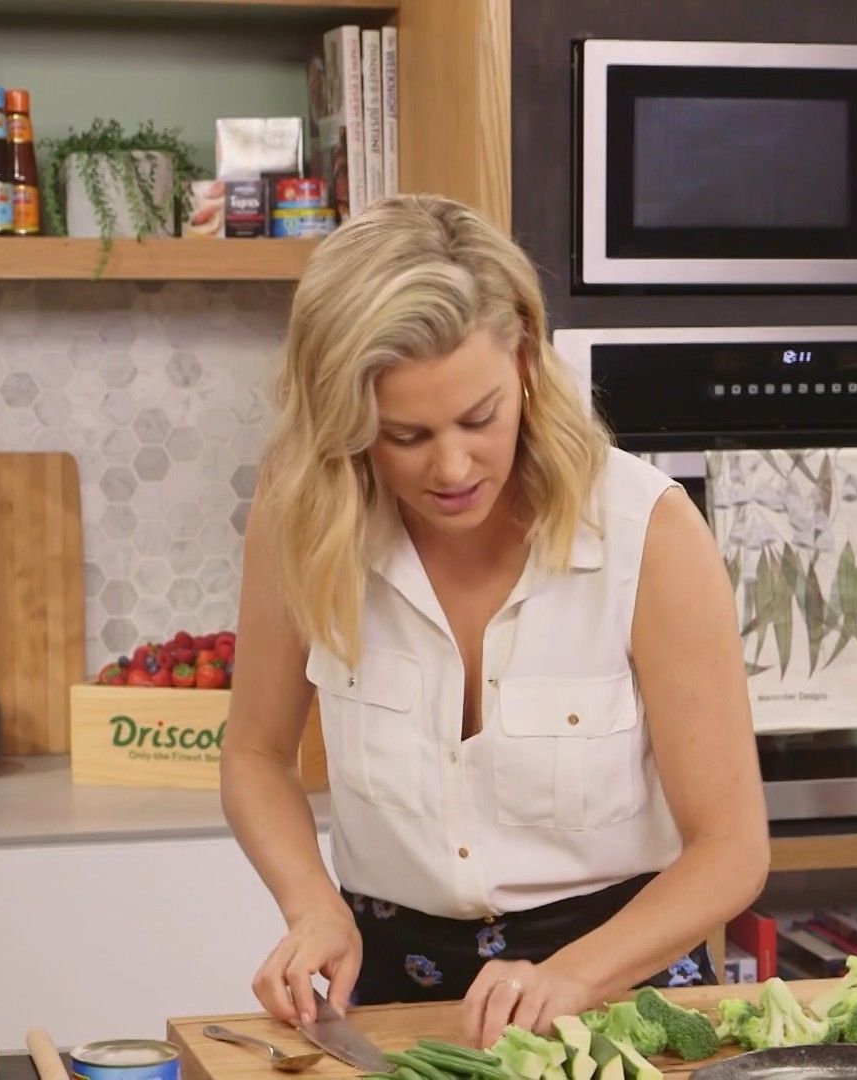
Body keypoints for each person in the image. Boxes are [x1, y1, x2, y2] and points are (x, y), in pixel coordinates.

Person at [222, 193, 770, 1049]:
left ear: (523, 357)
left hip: (621, 991)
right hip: (395, 1002)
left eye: (479, 419)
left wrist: (571, 977)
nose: (452, 468)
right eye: (405, 435)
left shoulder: (646, 533)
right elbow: (256, 755)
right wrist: (312, 905)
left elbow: (732, 849)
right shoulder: (302, 514)